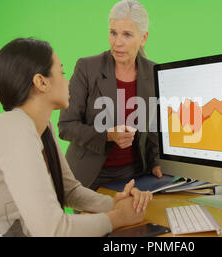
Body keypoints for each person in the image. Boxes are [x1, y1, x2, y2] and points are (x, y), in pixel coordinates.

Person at [0, 38, 152, 237]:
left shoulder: (41, 127)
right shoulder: (12, 128)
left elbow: (69, 191)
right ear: (41, 82)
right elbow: (54, 230)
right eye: (62, 73)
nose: (67, 81)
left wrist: (115, 203)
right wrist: (116, 218)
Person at [58, 0, 162, 191]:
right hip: (90, 177)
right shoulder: (87, 68)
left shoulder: (153, 72)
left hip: (136, 176)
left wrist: (156, 161)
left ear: (143, 38)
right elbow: (66, 126)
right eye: (113, 32)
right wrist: (107, 135)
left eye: (127, 34)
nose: (117, 42)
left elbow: (154, 129)